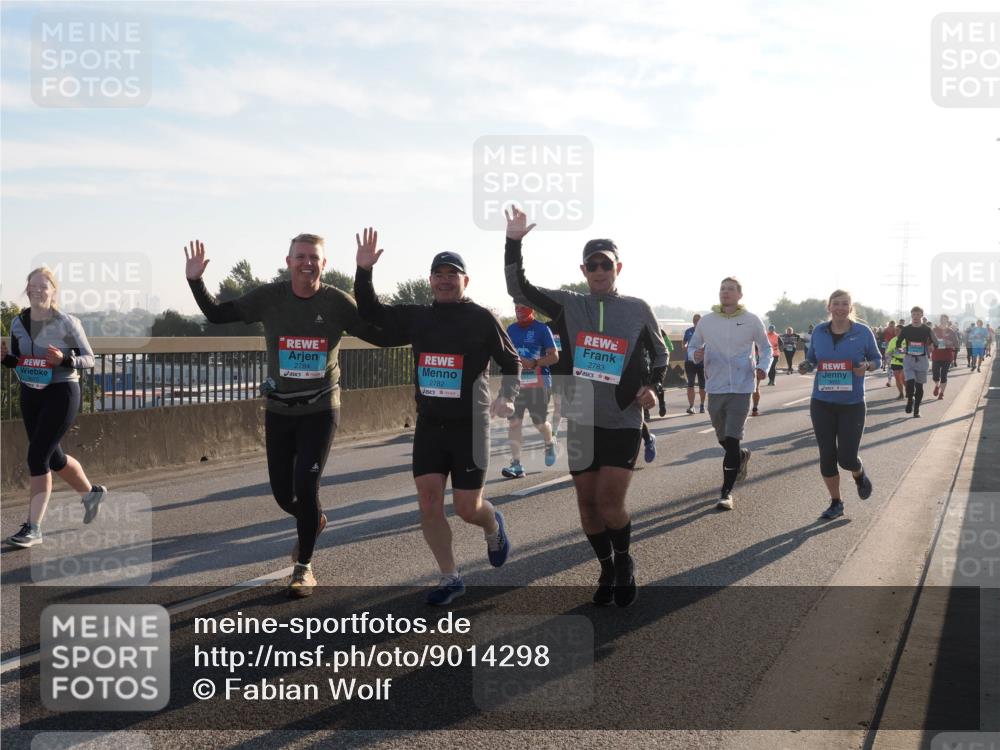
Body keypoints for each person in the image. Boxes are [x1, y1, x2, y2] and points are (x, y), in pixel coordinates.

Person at [185, 235, 402, 598]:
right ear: (288, 261)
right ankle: (312, 520)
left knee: (306, 484)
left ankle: (303, 568)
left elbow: (377, 334)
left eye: (313, 257)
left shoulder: (336, 302)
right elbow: (217, 315)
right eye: (300, 257)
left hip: (321, 408)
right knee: (283, 494)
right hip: (279, 409)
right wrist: (195, 281)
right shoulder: (271, 298)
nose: (307, 263)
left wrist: (423, 334)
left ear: (324, 263)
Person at [505, 207, 667, 607]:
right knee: (587, 504)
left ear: (618, 268)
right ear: (583, 269)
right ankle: (607, 565)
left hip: (623, 418)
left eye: (606, 265)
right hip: (579, 416)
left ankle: (625, 560)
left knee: (610, 502)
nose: (599, 271)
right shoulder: (567, 306)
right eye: (592, 265)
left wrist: (651, 388)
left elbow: (661, 354)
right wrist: (513, 243)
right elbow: (518, 290)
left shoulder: (637, 308)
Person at [355, 228, 518, 607]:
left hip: (470, 426)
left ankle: (492, 524)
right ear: (430, 281)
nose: (445, 280)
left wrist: (507, 396)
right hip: (430, 425)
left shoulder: (481, 318)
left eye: (452, 274)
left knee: (467, 508)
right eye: (438, 274)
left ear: (465, 281)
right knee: (428, 501)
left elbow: (512, 360)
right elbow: (372, 312)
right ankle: (450, 577)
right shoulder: (419, 317)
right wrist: (364, 271)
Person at [3, 267, 108, 549]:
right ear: (27, 289)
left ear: (53, 291)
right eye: (32, 285)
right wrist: (6, 359)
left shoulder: (67, 323)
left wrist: (65, 359)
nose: (37, 290)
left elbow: (89, 359)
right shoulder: (17, 322)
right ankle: (91, 494)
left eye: (43, 286)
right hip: (31, 392)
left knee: (37, 457)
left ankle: (33, 528)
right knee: (53, 458)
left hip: (62, 392)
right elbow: (18, 359)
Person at [687, 277, 771, 510]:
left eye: (730, 289)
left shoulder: (751, 320)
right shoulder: (707, 321)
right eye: (722, 289)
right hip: (716, 386)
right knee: (723, 438)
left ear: (739, 295)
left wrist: (763, 367)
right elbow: (692, 347)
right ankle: (741, 456)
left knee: (732, 439)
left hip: (742, 386)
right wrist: (695, 355)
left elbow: (766, 349)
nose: (725, 292)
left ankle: (726, 492)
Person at [798, 291, 880, 519]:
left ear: (851, 307)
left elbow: (877, 359)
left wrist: (868, 367)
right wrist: (806, 364)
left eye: (845, 304)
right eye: (836, 304)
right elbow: (812, 358)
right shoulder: (819, 331)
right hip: (821, 401)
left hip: (852, 403)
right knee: (826, 454)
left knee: (847, 458)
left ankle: (859, 473)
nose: (840, 308)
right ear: (829, 307)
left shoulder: (862, 332)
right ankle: (836, 502)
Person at [501, 305, 559, 478]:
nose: (519, 310)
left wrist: (534, 363)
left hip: (539, 382)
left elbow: (554, 357)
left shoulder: (542, 329)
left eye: (522, 307)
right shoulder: (511, 329)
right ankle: (516, 464)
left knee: (539, 423)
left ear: (531, 309)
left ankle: (549, 441)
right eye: (516, 307)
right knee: (514, 422)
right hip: (516, 384)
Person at [897, 306, 938, 418]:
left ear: (921, 315)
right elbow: (898, 344)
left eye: (917, 314)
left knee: (919, 387)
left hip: (922, 360)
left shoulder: (927, 329)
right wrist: (902, 350)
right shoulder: (906, 329)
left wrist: (931, 346)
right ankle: (910, 399)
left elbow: (936, 343)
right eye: (913, 314)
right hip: (909, 359)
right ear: (911, 315)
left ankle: (917, 409)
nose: (915, 317)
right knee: (910, 383)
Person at [931, 315, 959, 400]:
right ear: (939, 320)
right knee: (935, 376)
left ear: (947, 321)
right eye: (942, 320)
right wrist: (932, 345)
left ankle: (941, 393)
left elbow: (956, 343)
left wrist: (950, 343)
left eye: (945, 320)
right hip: (936, 355)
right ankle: (937, 385)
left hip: (947, 356)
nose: (943, 321)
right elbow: (929, 341)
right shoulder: (934, 330)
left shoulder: (951, 331)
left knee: (944, 375)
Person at [683, 314, 706, 414]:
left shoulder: (705, 332)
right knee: (690, 383)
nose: (697, 323)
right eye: (695, 321)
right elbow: (684, 342)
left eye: (699, 321)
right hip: (690, 361)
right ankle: (691, 406)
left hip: (701, 361)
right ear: (693, 322)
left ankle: (702, 405)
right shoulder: (688, 331)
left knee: (702, 384)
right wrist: (685, 346)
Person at [884, 331, 906, 399]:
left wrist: (897, 350)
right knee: (897, 378)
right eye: (896, 330)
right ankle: (901, 394)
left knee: (903, 378)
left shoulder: (907, 339)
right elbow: (888, 351)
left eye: (899, 330)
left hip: (906, 362)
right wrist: (888, 356)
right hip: (895, 361)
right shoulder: (893, 340)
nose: (897, 332)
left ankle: (909, 392)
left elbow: (909, 350)